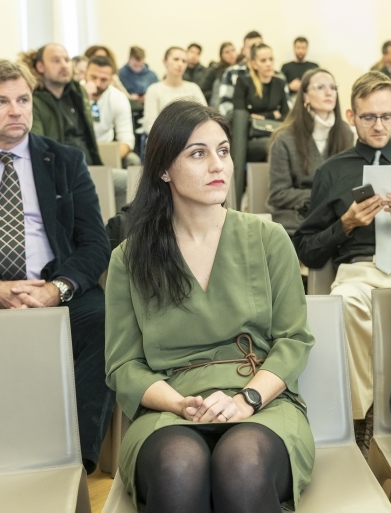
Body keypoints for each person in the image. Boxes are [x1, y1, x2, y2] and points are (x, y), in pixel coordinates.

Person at [105, 100, 314, 513]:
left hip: (262, 401)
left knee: (243, 465)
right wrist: (180, 404)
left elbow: (294, 340)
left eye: (223, 151)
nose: (218, 165)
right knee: (178, 467)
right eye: (198, 154)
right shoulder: (130, 258)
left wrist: (246, 400)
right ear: (164, 169)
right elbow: (124, 366)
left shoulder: (268, 238)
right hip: (169, 410)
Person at [293, 71, 391, 455]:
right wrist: (346, 224)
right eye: (368, 117)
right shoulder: (332, 171)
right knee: (347, 302)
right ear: (351, 116)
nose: (378, 126)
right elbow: (307, 250)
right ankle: (363, 414)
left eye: (385, 116)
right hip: (358, 270)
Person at [0, 59, 114, 474]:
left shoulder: (65, 160)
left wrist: (57, 289)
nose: (16, 111)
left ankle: (73, 462)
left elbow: (95, 243)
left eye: (23, 100)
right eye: (1, 101)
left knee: (107, 322)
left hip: (55, 288)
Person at [267, 68, 353, 235]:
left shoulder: (346, 133)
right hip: (296, 217)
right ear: (305, 96)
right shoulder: (284, 138)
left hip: (336, 218)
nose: (329, 93)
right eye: (320, 87)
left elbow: (349, 185)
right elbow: (278, 194)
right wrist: (323, 196)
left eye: (333, 87)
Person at [22, 43, 102, 166]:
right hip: (59, 170)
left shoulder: (78, 92)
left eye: (67, 60)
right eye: (56, 61)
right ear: (40, 66)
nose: (64, 65)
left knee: (128, 175)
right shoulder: (33, 101)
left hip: (90, 166)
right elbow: (37, 146)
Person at [231, 43, 289, 206]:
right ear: (254, 64)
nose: (269, 64)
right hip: (248, 140)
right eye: (263, 60)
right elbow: (240, 115)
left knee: (279, 144)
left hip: (272, 136)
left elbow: (286, 115)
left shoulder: (279, 83)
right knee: (273, 145)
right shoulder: (244, 82)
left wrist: (262, 117)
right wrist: (272, 115)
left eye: (271, 59)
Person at [84, 55, 139, 210]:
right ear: (85, 74)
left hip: (107, 151)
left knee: (133, 160)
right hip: (80, 152)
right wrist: (84, 97)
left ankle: (123, 216)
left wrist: (110, 158)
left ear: (111, 79)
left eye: (104, 80)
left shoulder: (118, 98)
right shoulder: (73, 95)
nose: (97, 83)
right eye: (93, 77)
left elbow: (127, 139)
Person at [142, 47, 207, 134]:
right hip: (163, 139)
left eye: (184, 61)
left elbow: (205, 118)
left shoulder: (193, 88)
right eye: (176, 59)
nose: (180, 64)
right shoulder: (154, 90)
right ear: (165, 61)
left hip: (193, 137)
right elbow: (149, 125)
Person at [217, 31, 263, 119]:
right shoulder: (231, 73)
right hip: (240, 123)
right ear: (244, 50)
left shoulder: (276, 75)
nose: (255, 51)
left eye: (259, 47)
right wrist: (247, 118)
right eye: (251, 47)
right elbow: (225, 106)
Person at [201, 42, 237, 106]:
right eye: (227, 52)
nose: (231, 54)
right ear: (221, 55)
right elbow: (203, 91)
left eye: (233, 50)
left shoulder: (241, 69)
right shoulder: (215, 70)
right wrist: (218, 93)